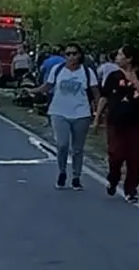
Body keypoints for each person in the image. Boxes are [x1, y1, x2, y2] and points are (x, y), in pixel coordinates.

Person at [33, 43, 98, 190]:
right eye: (68, 54)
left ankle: (76, 176)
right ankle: (62, 171)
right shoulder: (58, 70)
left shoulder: (87, 72)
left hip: (81, 113)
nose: (71, 57)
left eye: (74, 53)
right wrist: (32, 90)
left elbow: (95, 93)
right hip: (59, 111)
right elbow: (47, 86)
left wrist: (98, 112)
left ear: (80, 55)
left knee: (77, 148)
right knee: (62, 145)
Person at [94, 45, 139, 203]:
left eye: (120, 55)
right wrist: (97, 117)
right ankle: (113, 179)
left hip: (137, 121)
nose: (117, 57)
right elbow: (104, 97)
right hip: (116, 121)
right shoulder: (113, 76)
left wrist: (135, 81)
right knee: (115, 155)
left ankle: (131, 189)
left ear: (129, 58)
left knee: (135, 157)